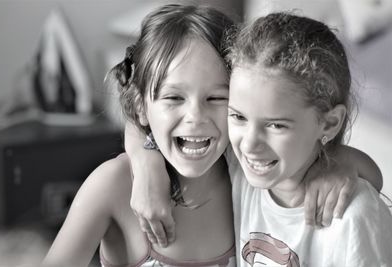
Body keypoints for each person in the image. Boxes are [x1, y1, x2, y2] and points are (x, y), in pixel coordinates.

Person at [43, 4, 236, 266]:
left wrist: (314, 172)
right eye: (174, 97)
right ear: (140, 108)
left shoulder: (249, 178)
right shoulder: (112, 184)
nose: (196, 116)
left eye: (216, 97)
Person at [225, 12, 392, 265]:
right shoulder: (232, 172)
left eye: (275, 125)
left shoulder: (353, 217)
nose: (249, 144)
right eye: (238, 117)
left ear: (329, 123)